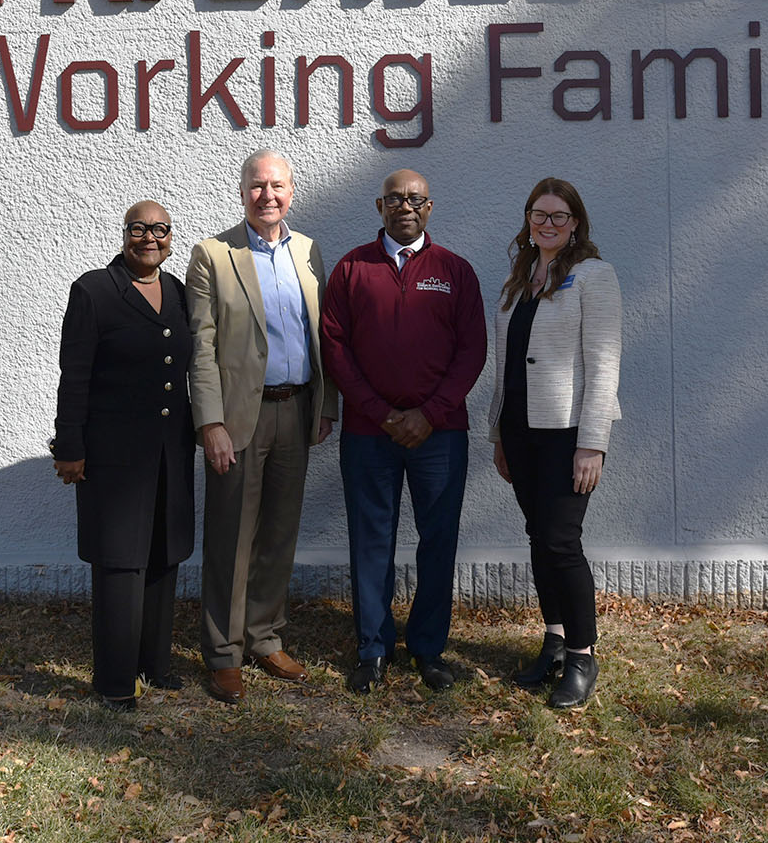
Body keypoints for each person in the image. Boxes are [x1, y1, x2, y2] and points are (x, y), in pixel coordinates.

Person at [320, 169, 487, 694]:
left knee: (438, 540)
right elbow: (335, 348)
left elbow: (472, 351)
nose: (406, 206)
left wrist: (429, 414)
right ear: (379, 205)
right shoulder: (352, 268)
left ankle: (429, 648)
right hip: (371, 433)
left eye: (416, 199)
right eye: (396, 198)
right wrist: (380, 411)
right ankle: (372, 648)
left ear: (430, 207)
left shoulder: (454, 271)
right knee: (371, 541)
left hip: (440, 434)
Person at [186, 150, 338, 705]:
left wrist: (326, 405)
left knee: (279, 531)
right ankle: (224, 651)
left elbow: (323, 334)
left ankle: (264, 636)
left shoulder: (308, 252)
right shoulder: (212, 255)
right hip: (238, 418)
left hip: (296, 409)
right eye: (257, 185)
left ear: (291, 192)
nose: (267, 195)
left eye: (277, 186)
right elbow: (199, 347)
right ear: (242, 191)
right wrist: (211, 423)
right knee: (231, 536)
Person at [52, 200, 196, 712]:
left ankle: (153, 667)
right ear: (124, 234)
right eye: (140, 229)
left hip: (168, 453)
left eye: (160, 230)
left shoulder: (178, 291)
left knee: (163, 554)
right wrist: (69, 446)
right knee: (119, 562)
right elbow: (76, 375)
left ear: (170, 236)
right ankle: (115, 681)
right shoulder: (94, 290)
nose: (149, 238)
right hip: (112, 456)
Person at [486, 178, 622, 709]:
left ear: (575, 223)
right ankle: (555, 641)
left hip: (568, 433)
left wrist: (593, 443)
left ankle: (584, 655)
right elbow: (507, 365)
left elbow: (605, 363)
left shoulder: (594, 276)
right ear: (527, 220)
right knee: (538, 537)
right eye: (538, 214)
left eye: (558, 216)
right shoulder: (518, 279)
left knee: (562, 540)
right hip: (521, 431)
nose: (547, 223)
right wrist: (498, 432)